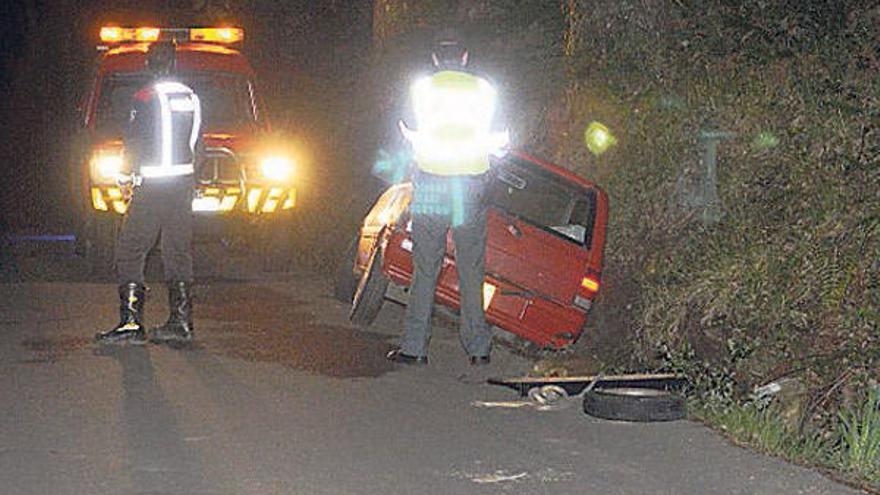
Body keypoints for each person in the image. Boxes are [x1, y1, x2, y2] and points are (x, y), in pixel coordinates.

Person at [386, 35, 508, 366]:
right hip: (470, 187)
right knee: (471, 269)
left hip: (432, 185)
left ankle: (414, 348)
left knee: (425, 267)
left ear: (436, 58)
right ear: (465, 57)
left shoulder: (420, 89)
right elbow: (502, 141)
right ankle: (478, 349)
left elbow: (406, 131)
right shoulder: (486, 90)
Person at [95, 42, 203, 345]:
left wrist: (124, 176)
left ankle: (131, 323)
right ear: (174, 63)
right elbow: (198, 143)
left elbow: (134, 141)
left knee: (130, 248)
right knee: (177, 250)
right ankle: (181, 323)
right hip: (182, 184)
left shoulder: (144, 96)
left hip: (153, 184)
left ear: (148, 63)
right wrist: (192, 176)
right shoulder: (190, 96)